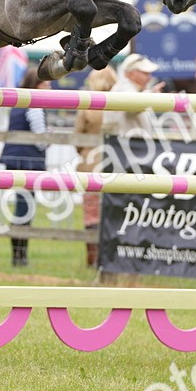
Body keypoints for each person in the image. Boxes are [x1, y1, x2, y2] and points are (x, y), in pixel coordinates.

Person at [0, 69, 52, 267]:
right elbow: (41, 141)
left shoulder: (18, 102)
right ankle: (19, 257)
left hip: (14, 159)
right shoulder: (35, 105)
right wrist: (50, 135)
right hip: (28, 161)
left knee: (21, 207)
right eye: (46, 85)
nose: (49, 88)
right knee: (25, 209)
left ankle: (18, 255)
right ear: (37, 86)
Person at [74, 67, 119, 267]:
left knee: (91, 213)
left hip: (90, 164)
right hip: (115, 165)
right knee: (111, 211)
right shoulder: (119, 104)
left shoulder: (87, 105)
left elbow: (78, 137)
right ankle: (110, 257)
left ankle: (92, 258)